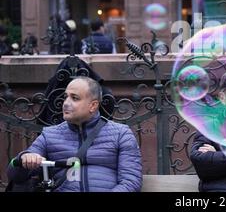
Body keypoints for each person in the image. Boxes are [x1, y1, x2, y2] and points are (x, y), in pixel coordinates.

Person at [7, 77, 142, 192]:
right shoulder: (49, 135)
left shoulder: (121, 134)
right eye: (66, 97)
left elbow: (131, 181)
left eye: (75, 98)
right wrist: (25, 158)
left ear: (93, 106)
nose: (66, 103)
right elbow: (15, 176)